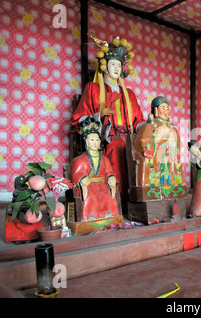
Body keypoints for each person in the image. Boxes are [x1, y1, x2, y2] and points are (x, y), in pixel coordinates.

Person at [71, 34, 144, 204]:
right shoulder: (93, 89)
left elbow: (139, 121)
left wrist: (148, 130)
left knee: (142, 151)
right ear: (104, 67)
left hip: (130, 137)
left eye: (119, 65)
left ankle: (139, 199)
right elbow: (78, 119)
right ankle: (117, 199)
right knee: (117, 147)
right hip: (106, 137)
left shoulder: (129, 94)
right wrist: (99, 115)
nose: (116, 68)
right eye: (112, 64)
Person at [71, 117, 120, 221]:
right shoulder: (80, 160)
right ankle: (90, 217)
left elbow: (108, 171)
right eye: (92, 140)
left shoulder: (105, 159)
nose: (95, 142)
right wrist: (82, 178)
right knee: (91, 196)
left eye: (97, 140)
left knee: (107, 194)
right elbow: (76, 173)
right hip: (89, 185)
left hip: (103, 184)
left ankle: (109, 215)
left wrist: (111, 177)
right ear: (86, 142)